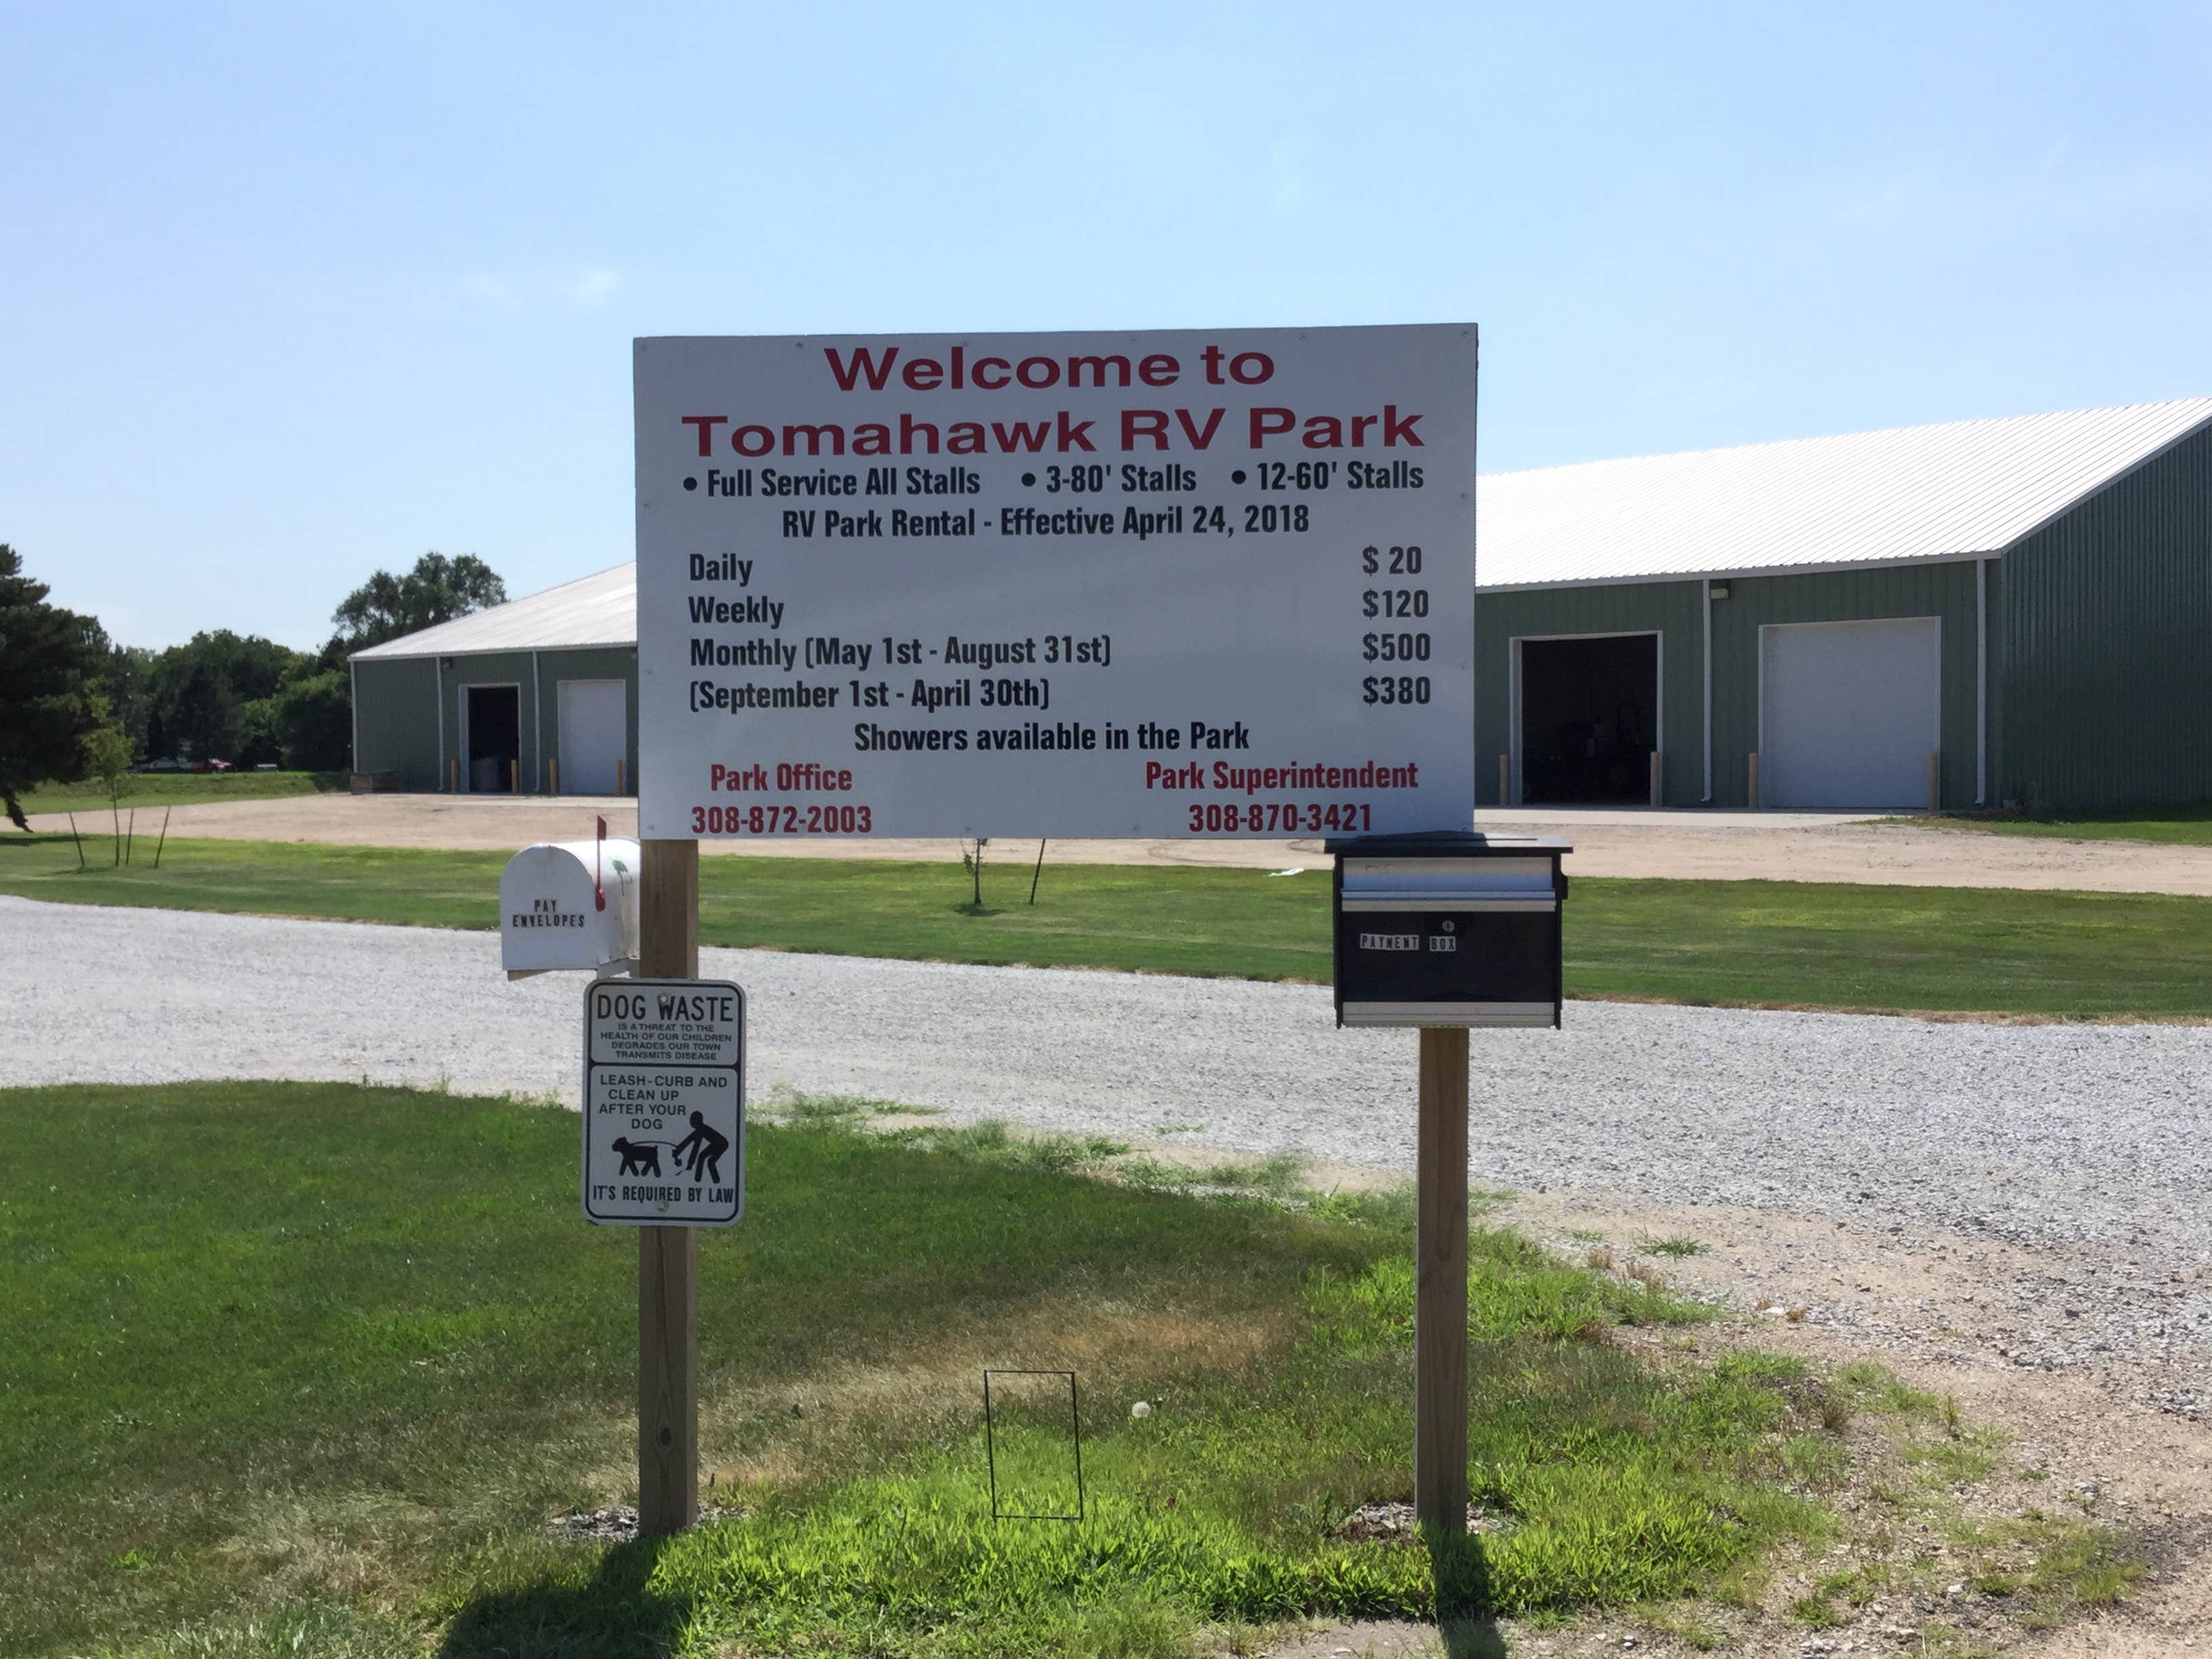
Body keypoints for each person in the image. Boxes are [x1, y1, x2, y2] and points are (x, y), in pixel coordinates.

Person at [671, 1111, 730, 1185]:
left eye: (691, 1120)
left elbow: (694, 1148)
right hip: (723, 1143)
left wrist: (688, 1163)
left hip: (720, 1143)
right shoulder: (701, 1129)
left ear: (696, 1121)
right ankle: (716, 1182)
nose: (690, 1122)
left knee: (702, 1157)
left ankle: (698, 1180)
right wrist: (678, 1151)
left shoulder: (700, 1130)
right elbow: (689, 1143)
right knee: (710, 1162)